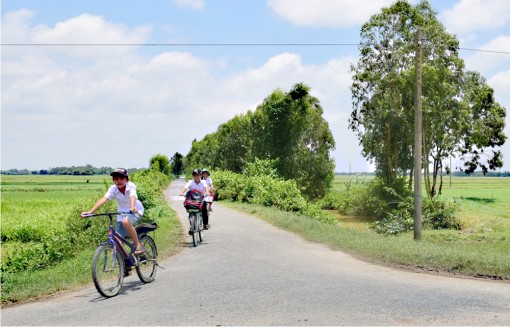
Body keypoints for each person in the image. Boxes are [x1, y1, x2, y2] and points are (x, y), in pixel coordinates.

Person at [81, 168, 145, 254]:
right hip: (121, 213)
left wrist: (132, 206)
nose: (119, 181)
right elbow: (104, 199)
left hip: (135, 210)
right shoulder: (113, 188)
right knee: (118, 238)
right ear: (113, 180)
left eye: (121, 178)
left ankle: (138, 245)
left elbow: (132, 196)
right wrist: (90, 212)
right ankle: (125, 262)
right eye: (116, 179)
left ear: (127, 179)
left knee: (126, 222)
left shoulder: (131, 186)